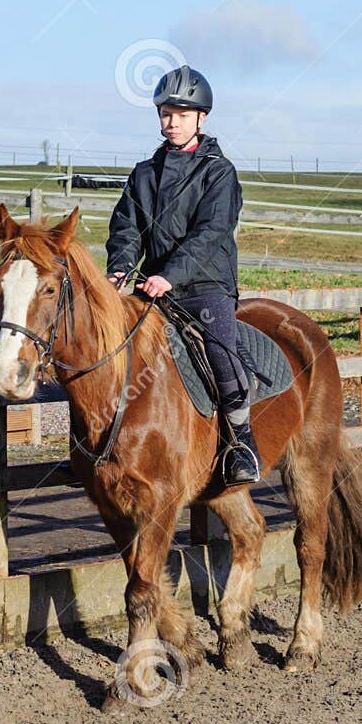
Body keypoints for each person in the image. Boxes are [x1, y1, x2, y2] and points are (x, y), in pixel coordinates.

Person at [104, 66, 261, 485]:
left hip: (204, 286)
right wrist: (120, 267)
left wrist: (170, 275)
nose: (171, 122)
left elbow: (211, 232)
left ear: (201, 118)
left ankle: (241, 442)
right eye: (165, 114)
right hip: (152, 287)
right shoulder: (142, 174)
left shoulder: (218, 173)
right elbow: (126, 227)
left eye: (181, 114)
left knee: (222, 353)